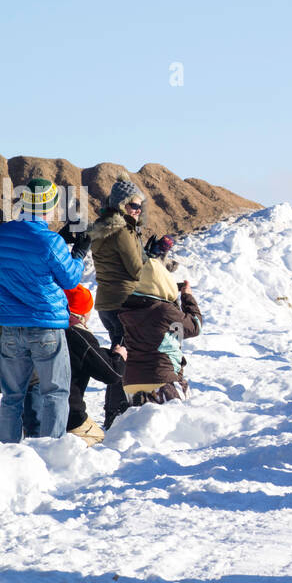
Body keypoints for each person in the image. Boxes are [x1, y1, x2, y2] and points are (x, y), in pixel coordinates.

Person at [0, 178, 87, 443]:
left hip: (10, 327)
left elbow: (24, 254)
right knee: (55, 393)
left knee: (11, 397)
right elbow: (69, 279)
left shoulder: (1, 235)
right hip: (46, 326)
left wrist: (60, 240)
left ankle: (5, 451)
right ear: (49, 205)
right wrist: (79, 254)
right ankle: (50, 452)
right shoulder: (51, 242)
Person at [119, 258, 202, 405]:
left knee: (141, 426)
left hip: (131, 381)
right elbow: (195, 327)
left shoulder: (127, 308)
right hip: (162, 378)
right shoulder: (164, 310)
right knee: (175, 424)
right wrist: (187, 297)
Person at [64, 285, 127, 445]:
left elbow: (85, 356)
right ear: (83, 311)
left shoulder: (46, 328)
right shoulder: (77, 333)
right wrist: (119, 357)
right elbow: (111, 373)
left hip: (31, 411)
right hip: (70, 416)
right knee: (101, 442)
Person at [88, 178, 146, 348]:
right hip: (123, 303)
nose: (138, 210)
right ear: (122, 204)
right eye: (134, 206)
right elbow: (137, 270)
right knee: (127, 357)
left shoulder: (102, 228)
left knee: (119, 353)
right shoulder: (122, 232)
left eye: (140, 206)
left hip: (105, 303)